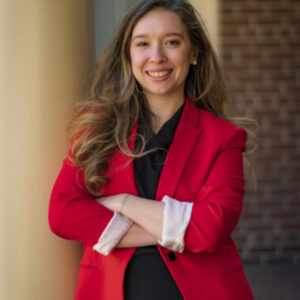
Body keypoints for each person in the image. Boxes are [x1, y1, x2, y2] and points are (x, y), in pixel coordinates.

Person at [49, 0, 256, 299]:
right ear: (129, 55)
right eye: (143, 43)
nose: (156, 56)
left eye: (171, 42)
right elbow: (62, 213)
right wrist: (181, 229)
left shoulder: (223, 138)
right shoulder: (96, 131)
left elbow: (211, 227)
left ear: (194, 53)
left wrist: (121, 203)